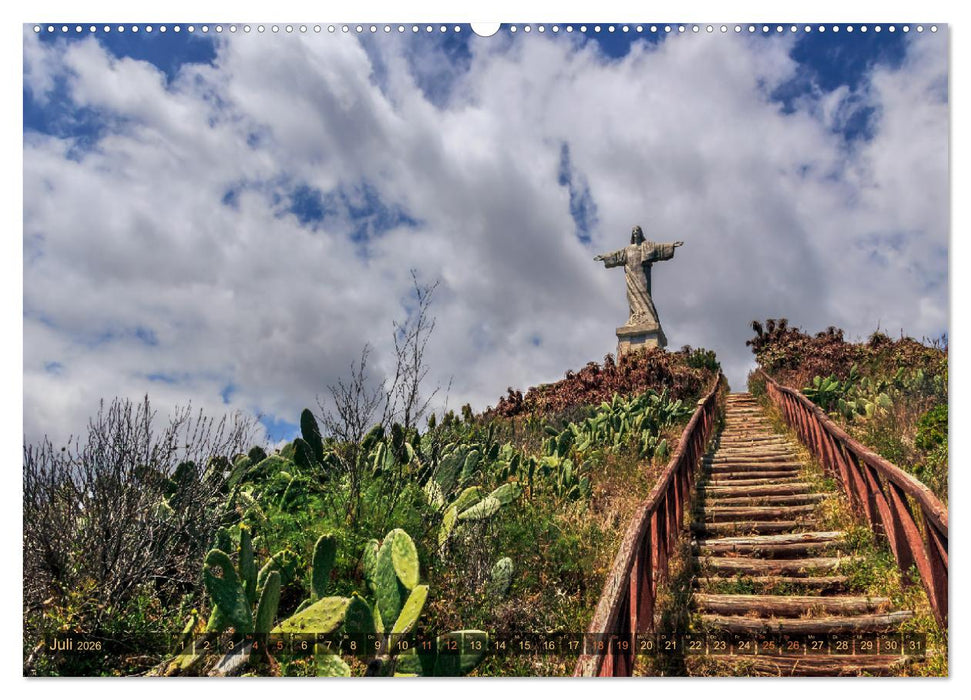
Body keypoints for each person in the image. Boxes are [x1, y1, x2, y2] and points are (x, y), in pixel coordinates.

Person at [594, 225, 683, 327]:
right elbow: (617, 256)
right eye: (634, 231)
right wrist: (604, 257)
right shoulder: (627, 249)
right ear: (632, 234)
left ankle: (647, 317)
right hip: (631, 276)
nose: (635, 232)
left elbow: (660, 249)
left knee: (644, 294)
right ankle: (636, 318)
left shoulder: (647, 247)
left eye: (637, 230)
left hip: (643, 275)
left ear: (641, 233)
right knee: (632, 297)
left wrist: (672, 245)